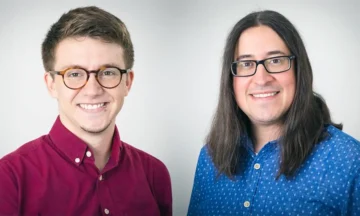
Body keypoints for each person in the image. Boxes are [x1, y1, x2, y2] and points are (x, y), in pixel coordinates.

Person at [0, 6, 172, 216]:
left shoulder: (155, 174)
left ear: (127, 82)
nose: (92, 90)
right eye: (74, 74)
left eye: (108, 72)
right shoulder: (9, 178)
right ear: (51, 84)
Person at [187, 10, 360, 216]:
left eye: (276, 60)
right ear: (231, 80)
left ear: (299, 70)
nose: (261, 79)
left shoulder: (349, 161)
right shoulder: (209, 158)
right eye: (246, 64)